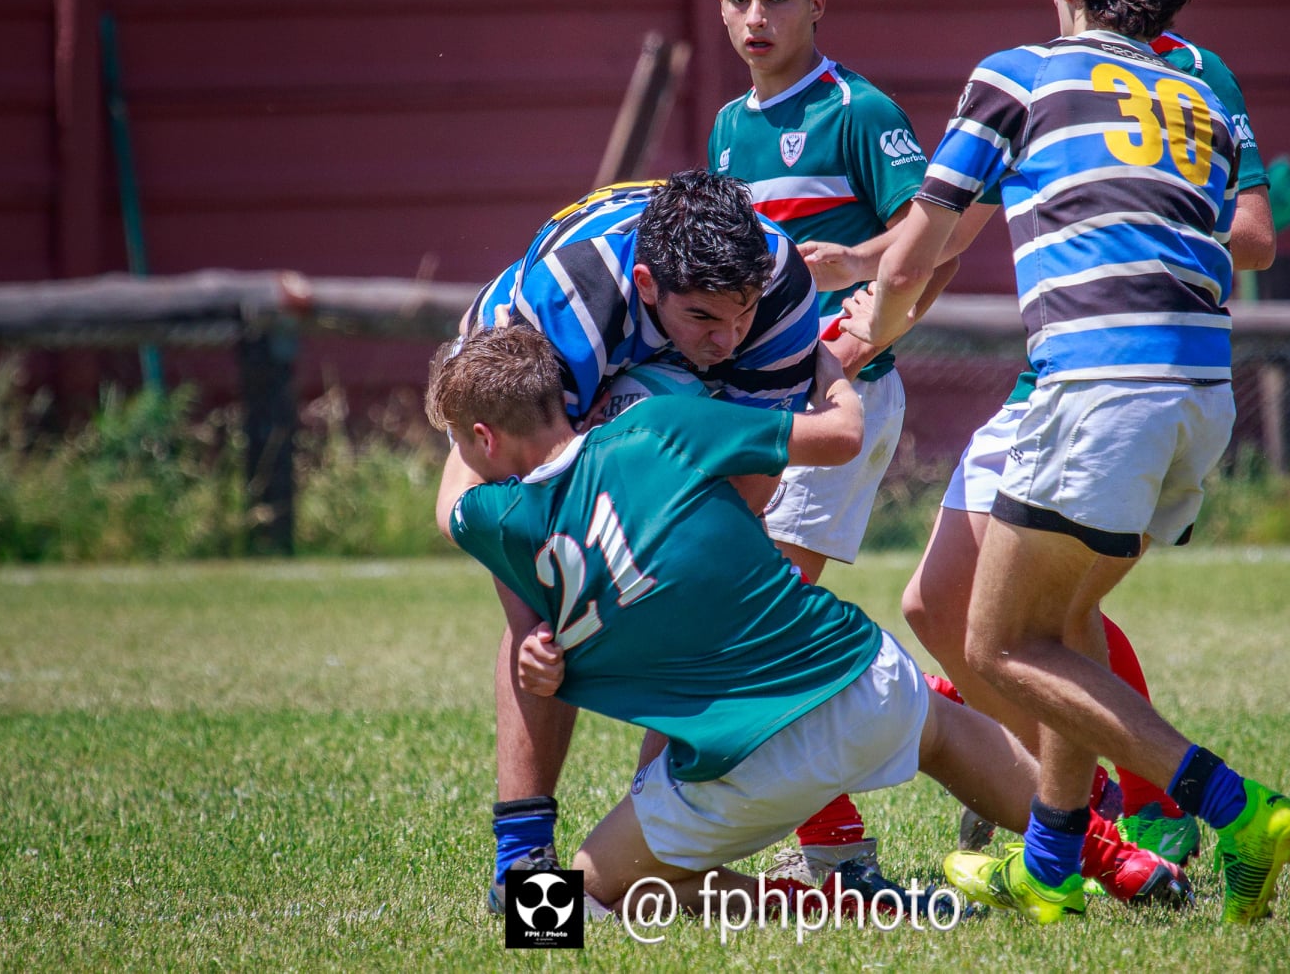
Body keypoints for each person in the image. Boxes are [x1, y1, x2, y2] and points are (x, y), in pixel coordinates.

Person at [848, 0, 1290, 925]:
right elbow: (1227, 236)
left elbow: (922, 244)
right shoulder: (1194, 95)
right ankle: (1052, 864)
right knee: (1062, 623)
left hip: (1100, 387)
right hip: (1198, 391)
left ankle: (1232, 806)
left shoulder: (1015, 75)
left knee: (1006, 642)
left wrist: (860, 339)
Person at [429, 324, 1051, 919]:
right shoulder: (657, 424)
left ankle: (813, 904)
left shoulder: (499, 519)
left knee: (560, 904)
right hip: (863, 680)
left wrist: (471, 337)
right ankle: (1094, 852)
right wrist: (830, 373)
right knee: (940, 732)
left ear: (483, 439)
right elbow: (840, 434)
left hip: (738, 770)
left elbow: (450, 503)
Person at [454, 170, 821, 911]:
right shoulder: (565, 304)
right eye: (704, 319)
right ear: (649, 284)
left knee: (691, 590)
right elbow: (506, 509)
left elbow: (747, 490)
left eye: (741, 314)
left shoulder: (778, 286)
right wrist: (536, 629)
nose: (729, 338)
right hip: (528, 367)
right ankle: (523, 865)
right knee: (551, 613)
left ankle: (638, 853)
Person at [705, 0, 964, 898]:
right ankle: (964, 724)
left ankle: (843, 855)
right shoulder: (731, 127)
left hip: (839, 403)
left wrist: (859, 328)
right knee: (752, 619)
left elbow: (930, 249)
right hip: (767, 409)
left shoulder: (858, 112)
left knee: (756, 619)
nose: (757, 15)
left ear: (819, 4)